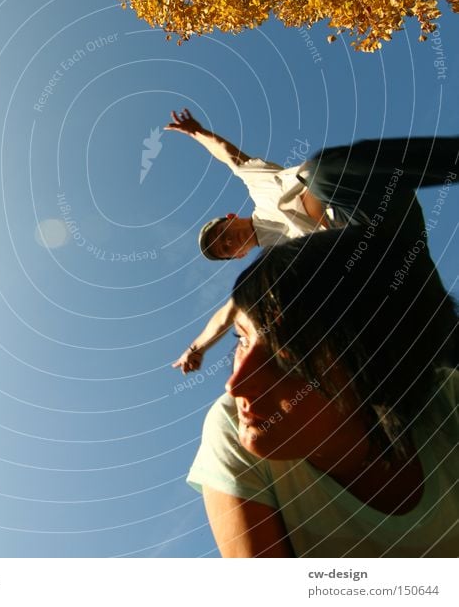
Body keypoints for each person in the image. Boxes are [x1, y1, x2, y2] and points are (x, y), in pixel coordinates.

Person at [187, 227, 459, 557]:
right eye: (242, 339)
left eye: (285, 357)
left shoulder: (449, 405)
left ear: (373, 369)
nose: (236, 384)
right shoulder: (232, 427)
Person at [167, 108, 458, 373]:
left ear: (230, 217)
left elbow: (228, 154)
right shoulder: (274, 260)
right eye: (226, 249)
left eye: (223, 234)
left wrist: (198, 132)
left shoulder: (259, 184)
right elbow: (229, 311)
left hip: (364, 200)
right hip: (380, 245)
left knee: (319, 172)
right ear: (239, 256)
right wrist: (196, 348)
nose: (230, 241)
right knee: (397, 310)